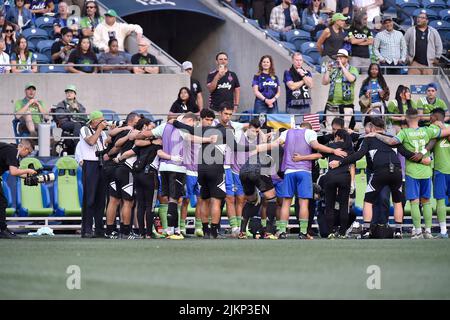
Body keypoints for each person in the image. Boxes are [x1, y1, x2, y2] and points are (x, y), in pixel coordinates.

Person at [330, 116, 426, 238]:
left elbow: (357, 156)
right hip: (396, 172)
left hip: (380, 171)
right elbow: (407, 153)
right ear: (384, 128)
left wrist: (339, 162)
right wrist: (423, 159)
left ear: (372, 128)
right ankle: (398, 231)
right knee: (397, 201)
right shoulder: (393, 138)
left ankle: (365, 230)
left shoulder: (369, 139)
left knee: (368, 201)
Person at [368, 108, 450, 239]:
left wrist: (376, 135)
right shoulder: (427, 130)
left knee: (414, 202)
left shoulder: (404, 132)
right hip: (426, 171)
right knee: (427, 201)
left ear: (406, 118)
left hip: (412, 172)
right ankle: (428, 231)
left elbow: (391, 142)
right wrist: (441, 125)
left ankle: (417, 232)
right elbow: (446, 131)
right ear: (419, 118)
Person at [275, 121, 348, 239]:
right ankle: (303, 232)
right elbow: (317, 148)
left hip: (289, 171)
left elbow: (277, 144)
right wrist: (334, 151)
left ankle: (282, 231)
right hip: (304, 171)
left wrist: (260, 145)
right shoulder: (309, 133)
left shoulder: (289, 133)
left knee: (286, 203)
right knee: (304, 203)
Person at [103, 112, 140, 239]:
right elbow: (115, 144)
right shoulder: (135, 133)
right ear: (132, 121)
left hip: (114, 168)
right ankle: (125, 231)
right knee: (127, 202)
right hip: (126, 168)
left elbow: (110, 140)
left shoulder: (120, 131)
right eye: (138, 120)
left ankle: (109, 230)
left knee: (113, 200)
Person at [79, 110, 108, 238]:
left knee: (101, 199)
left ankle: (99, 229)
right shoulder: (85, 129)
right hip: (90, 164)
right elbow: (91, 141)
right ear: (94, 121)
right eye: (101, 120)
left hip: (101, 164)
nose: (103, 122)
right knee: (89, 198)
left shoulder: (103, 133)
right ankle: (87, 229)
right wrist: (99, 130)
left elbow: (106, 145)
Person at [321, 129, 354, 238]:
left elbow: (319, 151)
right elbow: (352, 164)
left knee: (329, 206)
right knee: (344, 206)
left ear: (338, 137)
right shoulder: (350, 147)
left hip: (330, 176)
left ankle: (330, 232)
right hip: (345, 176)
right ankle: (342, 233)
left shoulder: (331, 145)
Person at [0, 139, 35, 239]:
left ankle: (2, 229)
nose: (27, 155)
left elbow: (18, 172)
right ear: (24, 148)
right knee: (2, 202)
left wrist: (33, 178)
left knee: (2, 202)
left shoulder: (12, 149)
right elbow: (14, 172)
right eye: (28, 152)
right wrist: (28, 170)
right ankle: (2, 230)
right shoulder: (13, 151)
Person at [322, 48, 358, 129]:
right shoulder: (334, 70)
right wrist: (328, 70)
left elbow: (351, 79)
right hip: (332, 105)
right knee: (330, 129)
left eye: (341, 57)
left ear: (346, 59)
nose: (338, 59)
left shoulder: (353, 69)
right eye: (338, 57)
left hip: (346, 106)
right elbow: (324, 82)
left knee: (345, 130)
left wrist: (342, 66)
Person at [428, 108, 450, 238]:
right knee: (440, 200)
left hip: (441, 171)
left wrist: (441, 128)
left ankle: (443, 231)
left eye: (430, 117)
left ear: (435, 117)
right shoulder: (432, 130)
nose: (429, 119)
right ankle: (443, 231)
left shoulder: (435, 128)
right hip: (439, 170)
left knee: (440, 200)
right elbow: (429, 150)